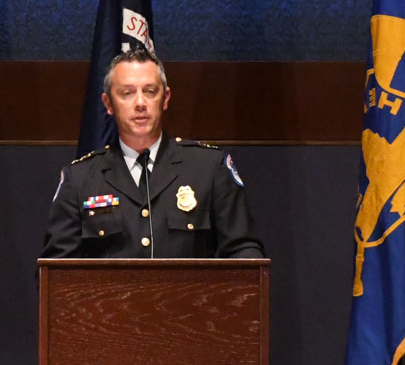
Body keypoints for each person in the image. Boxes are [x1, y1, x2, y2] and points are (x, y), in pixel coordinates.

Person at [42, 48, 264, 258]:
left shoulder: (209, 169)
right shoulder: (80, 179)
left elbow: (244, 254)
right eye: (127, 93)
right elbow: (56, 274)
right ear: (108, 103)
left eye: (150, 91)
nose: (140, 103)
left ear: (165, 98)